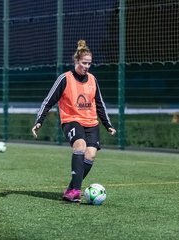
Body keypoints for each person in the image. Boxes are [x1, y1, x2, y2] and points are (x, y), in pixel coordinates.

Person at [31, 40, 116, 202]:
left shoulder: (93, 80)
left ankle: (71, 189)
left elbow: (100, 104)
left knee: (90, 156)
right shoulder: (65, 79)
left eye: (89, 63)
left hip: (91, 123)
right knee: (80, 146)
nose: (87, 66)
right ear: (76, 61)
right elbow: (48, 101)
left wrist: (108, 125)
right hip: (71, 120)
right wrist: (39, 121)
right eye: (84, 63)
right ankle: (76, 191)